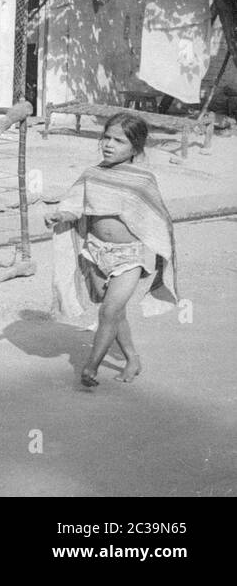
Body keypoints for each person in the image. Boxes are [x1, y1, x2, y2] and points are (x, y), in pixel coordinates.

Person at [44, 112, 179, 387]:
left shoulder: (143, 180)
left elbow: (157, 217)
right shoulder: (92, 175)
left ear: (136, 148)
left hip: (128, 255)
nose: (109, 144)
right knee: (114, 312)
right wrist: (61, 216)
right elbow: (75, 205)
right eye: (106, 137)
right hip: (95, 252)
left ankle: (90, 367)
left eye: (119, 141)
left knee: (108, 312)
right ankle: (132, 358)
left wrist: (163, 247)